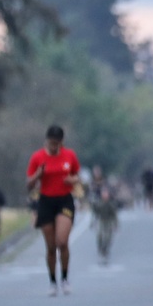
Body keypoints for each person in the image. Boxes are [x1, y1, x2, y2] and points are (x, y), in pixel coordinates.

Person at [26, 125, 82, 296]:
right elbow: (28, 184)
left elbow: (78, 176)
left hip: (64, 200)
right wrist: (38, 175)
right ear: (47, 140)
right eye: (51, 143)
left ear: (62, 142)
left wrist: (71, 179)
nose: (54, 147)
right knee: (51, 247)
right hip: (46, 201)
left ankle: (65, 278)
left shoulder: (69, 155)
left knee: (62, 242)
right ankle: (52, 281)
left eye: (57, 144)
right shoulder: (37, 157)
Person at [90, 186, 119, 264]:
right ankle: (100, 248)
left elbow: (114, 215)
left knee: (108, 237)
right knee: (99, 236)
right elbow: (95, 213)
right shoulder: (98, 202)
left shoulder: (111, 203)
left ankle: (105, 249)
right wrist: (92, 223)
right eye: (103, 193)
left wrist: (116, 224)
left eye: (106, 193)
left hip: (109, 221)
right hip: (101, 221)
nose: (105, 195)